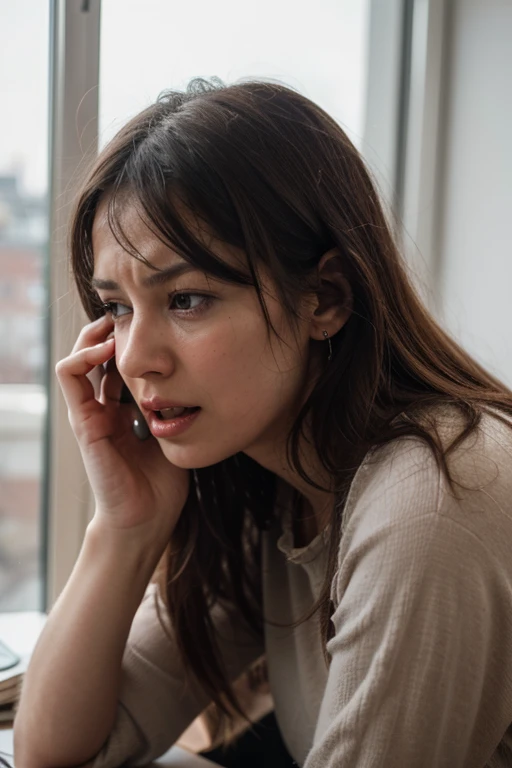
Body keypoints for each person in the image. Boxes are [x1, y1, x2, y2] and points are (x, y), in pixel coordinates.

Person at [13, 77, 512, 768]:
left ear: (325, 298)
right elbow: (57, 752)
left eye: (186, 299)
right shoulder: (271, 491)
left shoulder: (430, 500)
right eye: (118, 308)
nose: (134, 360)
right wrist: (123, 529)